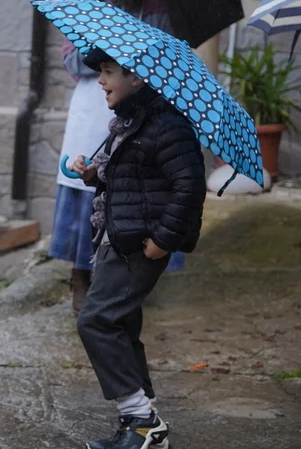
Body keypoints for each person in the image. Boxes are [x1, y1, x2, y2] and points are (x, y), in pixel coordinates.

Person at [70, 51, 205, 449]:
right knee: (122, 327)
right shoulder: (128, 121)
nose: (100, 80)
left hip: (138, 243)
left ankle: (142, 420)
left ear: (138, 78)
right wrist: (94, 173)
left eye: (108, 72)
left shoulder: (167, 124)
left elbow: (189, 187)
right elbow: (133, 178)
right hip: (115, 234)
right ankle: (143, 424)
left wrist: (163, 241)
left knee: (95, 321)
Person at [52, 0, 184, 314]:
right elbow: (71, 59)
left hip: (137, 103)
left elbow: (165, 58)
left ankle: (128, 272)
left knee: (134, 184)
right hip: (93, 103)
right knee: (88, 183)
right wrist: (109, 48)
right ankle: (81, 273)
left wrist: (137, 55)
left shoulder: (152, 9)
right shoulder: (85, 10)